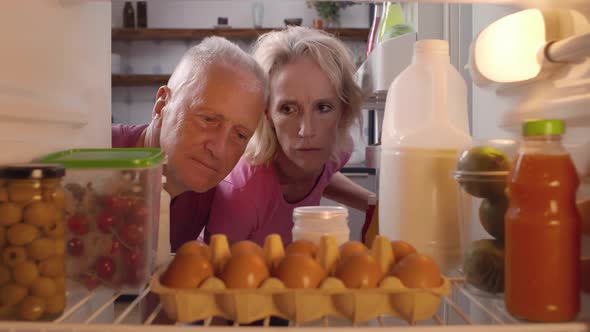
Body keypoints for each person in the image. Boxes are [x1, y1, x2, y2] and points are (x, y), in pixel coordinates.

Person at [206, 27, 374, 246]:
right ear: (266, 112)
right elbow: (217, 274)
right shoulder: (243, 194)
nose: (307, 131)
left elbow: (322, 172)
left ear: (343, 109)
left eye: (323, 107)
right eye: (288, 109)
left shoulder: (336, 149)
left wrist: (373, 203)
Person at [112, 36, 267, 251]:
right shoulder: (96, 154)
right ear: (161, 106)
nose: (219, 150)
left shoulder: (215, 198)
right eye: (208, 119)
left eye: (240, 135)